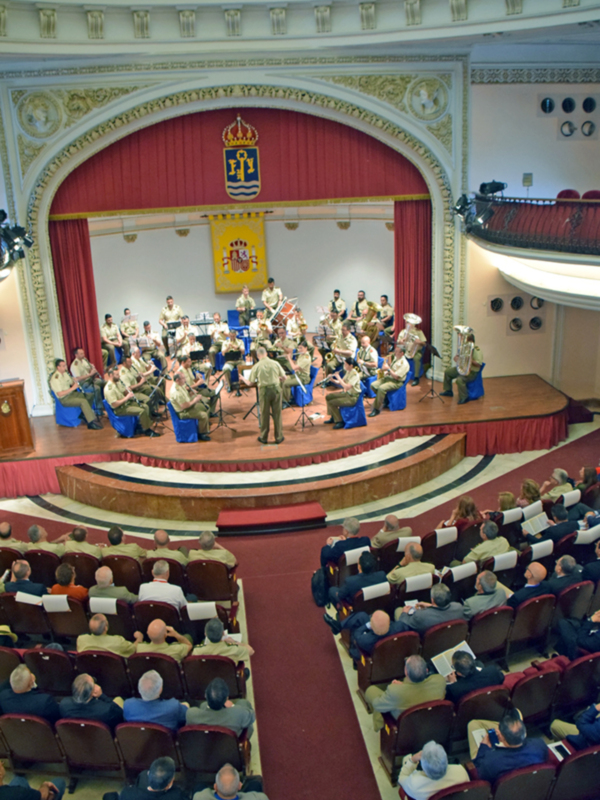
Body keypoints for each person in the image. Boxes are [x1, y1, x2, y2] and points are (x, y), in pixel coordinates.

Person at [364, 655, 446, 732]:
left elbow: (377, 705)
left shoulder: (395, 691)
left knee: (371, 691)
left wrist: (398, 687)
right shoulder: (440, 681)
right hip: (427, 720)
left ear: (406, 672)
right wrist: (403, 685)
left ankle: (380, 726)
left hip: (404, 723)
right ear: (427, 670)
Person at [470, 708, 549, 776]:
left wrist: (484, 746)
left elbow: (480, 770)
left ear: (501, 737)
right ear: (525, 733)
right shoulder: (540, 744)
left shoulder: (490, 762)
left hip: (495, 773)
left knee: (472, 725)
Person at [186, 677, 255, 738]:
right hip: (229, 746)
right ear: (226, 699)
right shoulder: (238, 713)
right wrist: (233, 706)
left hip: (205, 745)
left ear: (205, 696)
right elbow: (252, 716)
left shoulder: (191, 714)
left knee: (203, 705)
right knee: (243, 703)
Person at [244, 345, 286, 445]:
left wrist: (242, 379)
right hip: (276, 390)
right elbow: (284, 377)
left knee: (264, 414)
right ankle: (279, 437)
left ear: (258, 356)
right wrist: (277, 379)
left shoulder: (256, 366)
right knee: (277, 414)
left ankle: (263, 437)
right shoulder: (275, 363)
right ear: (266, 354)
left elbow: (250, 383)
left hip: (264, 391)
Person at [398, 741, 469, 800]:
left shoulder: (415, 784)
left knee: (406, 759)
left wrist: (412, 759)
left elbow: (401, 778)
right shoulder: (461, 771)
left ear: (423, 767)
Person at [104, 366, 160, 438]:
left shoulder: (117, 383)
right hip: (120, 409)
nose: (119, 376)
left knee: (145, 406)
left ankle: (141, 425)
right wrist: (127, 398)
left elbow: (123, 392)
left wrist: (128, 392)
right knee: (142, 411)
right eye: (117, 375)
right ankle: (147, 430)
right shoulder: (109, 388)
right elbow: (114, 404)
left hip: (126, 403)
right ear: (111, 376)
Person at [123, 671, 188, 730]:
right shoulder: (174, 706)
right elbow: (185, 716)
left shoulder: (128, 705)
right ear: (160, 690)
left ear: (139, 689)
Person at [49, 358, 102, 430]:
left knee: (89, 395)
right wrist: (73, 388)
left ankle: (84, 414)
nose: (65, 367)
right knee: (83, 401)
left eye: (65, 365)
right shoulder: (55, 378)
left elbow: (71, 382)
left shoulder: (65, 374)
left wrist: (75, 382)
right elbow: (60, 394)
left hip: (71, 394)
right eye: (63, 366)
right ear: (58, 367)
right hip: (64, 399)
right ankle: (90, 423)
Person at [394, 583, 465, 632]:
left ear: (432, 600)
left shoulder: (421, 616)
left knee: (398, 610)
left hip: (426, 640)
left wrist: (404, 613)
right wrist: (431, 606)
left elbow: (403, 622)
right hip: (448, 636)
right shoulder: (458, 607)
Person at [440, 331, 483, 405]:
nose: (463, 342)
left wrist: (469, 359)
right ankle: (448, 391)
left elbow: (479, 364)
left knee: (459, 380)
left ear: (470, 341)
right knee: (448, 372)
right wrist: (457, 358)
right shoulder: (464, 349)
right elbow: (457, 358)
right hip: (462, 368)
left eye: (465, 340)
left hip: (471, 372)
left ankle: (464, 397)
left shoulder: (477, 350)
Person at [369, 342, 410, 417]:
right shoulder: (396, 358)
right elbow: (392, 369)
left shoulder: (404, 363)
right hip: (389, 378)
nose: (395, 352)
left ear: (402, 353)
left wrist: (388, 369)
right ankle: (384, 399)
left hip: (396, 382)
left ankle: (376, 409)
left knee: (381, 388)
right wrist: (386, 370)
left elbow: (397, 377)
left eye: (397, 351)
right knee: (373, 385)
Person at [169, 371, 211, 441]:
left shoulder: (180, 385)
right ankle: (201, 433)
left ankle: (203, 425)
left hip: (188, 407)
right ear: (177, 380)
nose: (185, 380)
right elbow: (184, 406)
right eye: (183, 378)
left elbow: (185, 397)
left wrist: (190, 394)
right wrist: (195, 399)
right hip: (183, 412)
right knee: (203, 415)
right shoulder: (176, 392)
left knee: (206, 407)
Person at [77, 613, 142, 657]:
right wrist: (139, 639)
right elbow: (133, 649)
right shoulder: (118, 641)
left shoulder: (81, 640)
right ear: (105, 628)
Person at [193, 764, 269, 800]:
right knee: (255, 784)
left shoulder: (199, 797)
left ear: (215, 787)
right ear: (239, 786)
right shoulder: (260, 798)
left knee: (199, 786)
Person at [325, 357, 362, 430]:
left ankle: (339, 421)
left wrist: (338, 377)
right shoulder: (348, 371)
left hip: (352, 397)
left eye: (345, 364)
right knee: (328, 397)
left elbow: (347, 386)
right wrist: (332, 379)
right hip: (347, 394)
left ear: (351, 365)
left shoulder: (355, 374)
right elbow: (340, 382)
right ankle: (333, 416)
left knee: (333, 402)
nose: (344, 366)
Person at [0, 760, 65, 800]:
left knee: (19, 780)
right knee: (59, 782)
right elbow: (43, 796)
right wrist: (45, 785)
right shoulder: (16, 793)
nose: (2, 763)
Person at [70, 346, 105, 412]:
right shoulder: (74, 365)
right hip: (83, 384)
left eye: (83, 353)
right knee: (96, 388)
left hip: (90, 380)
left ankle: (106, 403)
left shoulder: (84, 360)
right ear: (76, 355)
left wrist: (92, 369)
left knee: (104, 382)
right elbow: (77, 379)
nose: (83, 355)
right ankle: (99, 409)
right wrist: (89, 374)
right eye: (81, 354)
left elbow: (89, 369)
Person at [281, 340, 312, 408]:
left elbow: (294, 368)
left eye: (301, 348)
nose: (299, 350)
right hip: (298, 375)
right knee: (282, 379)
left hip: (303, 378)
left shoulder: (306, 358)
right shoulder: (301, 355)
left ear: (306, 348)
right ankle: (289, 397)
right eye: (298, 348)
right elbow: (296, 364)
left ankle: (285, 402)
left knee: (286, 383)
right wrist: (291, 360)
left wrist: (289, 359)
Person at [398, 317, 427, 386]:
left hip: (416, 351)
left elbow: (424, 344)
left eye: (409, 322)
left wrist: (419, 342)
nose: (407, 324)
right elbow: (398, 342)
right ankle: (400, 375)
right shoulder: (403, 332)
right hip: (405, 350)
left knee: (416, 358)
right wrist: (401, 341)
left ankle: (416, 378)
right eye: (406, 322)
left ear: (413, 324)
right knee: (396, 356)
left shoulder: (419, 332)